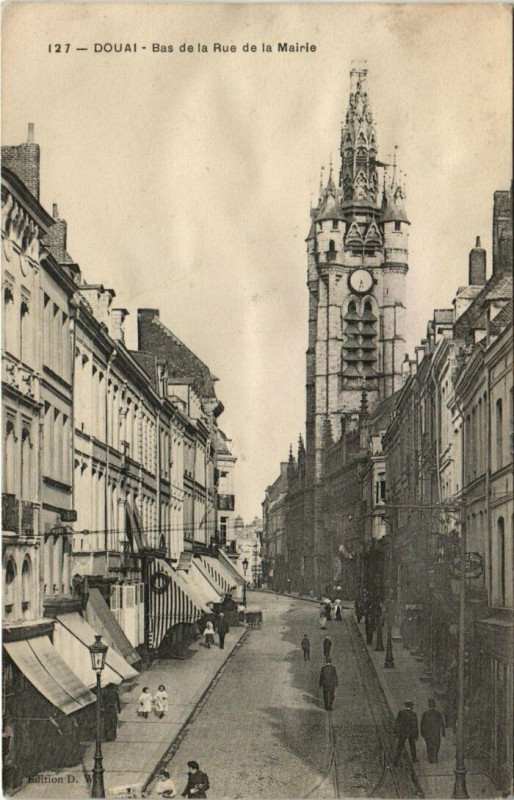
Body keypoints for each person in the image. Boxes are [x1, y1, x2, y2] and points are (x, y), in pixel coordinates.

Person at [393, 701, 419, 765]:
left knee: (399, 747)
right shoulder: (413, 714)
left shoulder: (401, 713)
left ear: (406, 706)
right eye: (412, 706)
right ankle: (414, 759)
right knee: (412, 746)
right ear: (411, 706)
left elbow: (397, 723)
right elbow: (415, 725)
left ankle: (395, 761)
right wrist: (416, 735)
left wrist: (395, 731)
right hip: (411, 733)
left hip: (403, 732)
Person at [420, 699, 445, 763]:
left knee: (429, 745)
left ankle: (430, 759)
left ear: (428, 706)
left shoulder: (425, 714)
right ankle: (435, 757)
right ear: (434, 706)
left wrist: (422, 733)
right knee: (436, 745)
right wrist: (443, 732)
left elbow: (422, 724)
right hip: (436, 733)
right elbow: (441, 723)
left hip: (428, 733)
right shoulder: (437, 713)